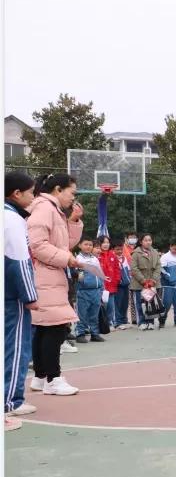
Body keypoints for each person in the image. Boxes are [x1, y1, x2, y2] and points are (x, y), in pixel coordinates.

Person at [27, 173, 83, 396]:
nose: (73, 198)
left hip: (49, 277)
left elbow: (62, 243)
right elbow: (37, 245)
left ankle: (41, 377)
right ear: (58, 189)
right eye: (72, 193)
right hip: (45, 277)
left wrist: (74, 221)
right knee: (55, 329)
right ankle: (53, 378)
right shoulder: (44, 208)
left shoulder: (54, 210)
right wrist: (67, 259)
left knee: (44, 328)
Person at [5, 172, 39, 429]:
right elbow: (19, 261)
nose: (33, 196)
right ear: (17, 193)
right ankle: (10, 401)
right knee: (15, 347)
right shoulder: (12, 220)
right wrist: (30, 296)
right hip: (11, 296)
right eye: (31, 192)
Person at [74, 238, 106, 343]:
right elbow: (79, 276)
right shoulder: (78, 259)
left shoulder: (95, 259)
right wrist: (82, 283)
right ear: (80, 245)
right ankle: (80, 333)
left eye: (90, 245)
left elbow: (100, 273)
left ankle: (95, 334)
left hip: (96, 291)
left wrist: (101, 287)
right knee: (82, 313)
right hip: (84, 291)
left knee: (94, 313)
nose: (88, 247)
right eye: (86, 244)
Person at [130, 233, 162, 330]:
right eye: (146, 240)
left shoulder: (155, 253)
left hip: (152, 283)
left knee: (151, 303)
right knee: (140, 304)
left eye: (150, 240)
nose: (148, 242)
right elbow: (134, 268)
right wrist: (143, 281)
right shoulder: (136, 253)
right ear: (141, 242)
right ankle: (142, 322)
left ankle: (150, 322)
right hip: (139, 284)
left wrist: (153, 280)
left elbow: (158, 267)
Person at [160, 242, 176, 327]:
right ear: (170, 247)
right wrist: (169, 278)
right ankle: (162, 320)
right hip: (168, 286)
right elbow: (162, 270)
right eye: (174, 249)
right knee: (166, 304)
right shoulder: (164, 257)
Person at [98, 236, 121, 330]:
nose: (106, 244)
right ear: (99, 244)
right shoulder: (97, 255)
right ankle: (99, 324)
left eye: (107, 242)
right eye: (103, 242)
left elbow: (117, 269)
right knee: (101, 306)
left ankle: (109, 322)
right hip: (100, 286)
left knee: (110, 306)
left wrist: (116, 280)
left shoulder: (112, 255)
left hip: (111, 286)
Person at [112, 240, 132, 330]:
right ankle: (118, 321)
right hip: (118, 286)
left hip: (126, 284)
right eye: (117, 249)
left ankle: (124, 319)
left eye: (121, 249)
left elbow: (128, 271)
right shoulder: (112, 259)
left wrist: (129, 279)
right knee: (118, 303)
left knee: (125, 303)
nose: (119, 251)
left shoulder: (124, 258)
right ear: (113, 250)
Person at [124, 232, 139, 326]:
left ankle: (141, 316)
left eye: (134, 237)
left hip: (139, 277)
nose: (133, 239)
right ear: (126, 238)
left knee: (139, 297)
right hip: (128, 277)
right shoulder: (124, 248)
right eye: (131, 237)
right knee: (130, 299)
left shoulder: (139, 248)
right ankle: (133, 318)